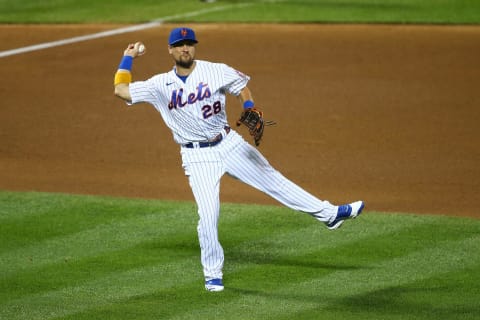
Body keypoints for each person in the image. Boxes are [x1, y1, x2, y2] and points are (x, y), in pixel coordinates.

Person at [113, 27, 364, 292]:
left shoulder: (215, 70)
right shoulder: (158, 85)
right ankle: (212, 274)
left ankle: (330, 214)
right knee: (208, 215)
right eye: (180, 44)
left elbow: (242, 87)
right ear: (170, 50)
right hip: (197, 157)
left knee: (275, 181)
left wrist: (247, 106)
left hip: (229, 144)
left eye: (189, 43)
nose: (185, 48)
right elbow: (121, 90)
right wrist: (127, 57)